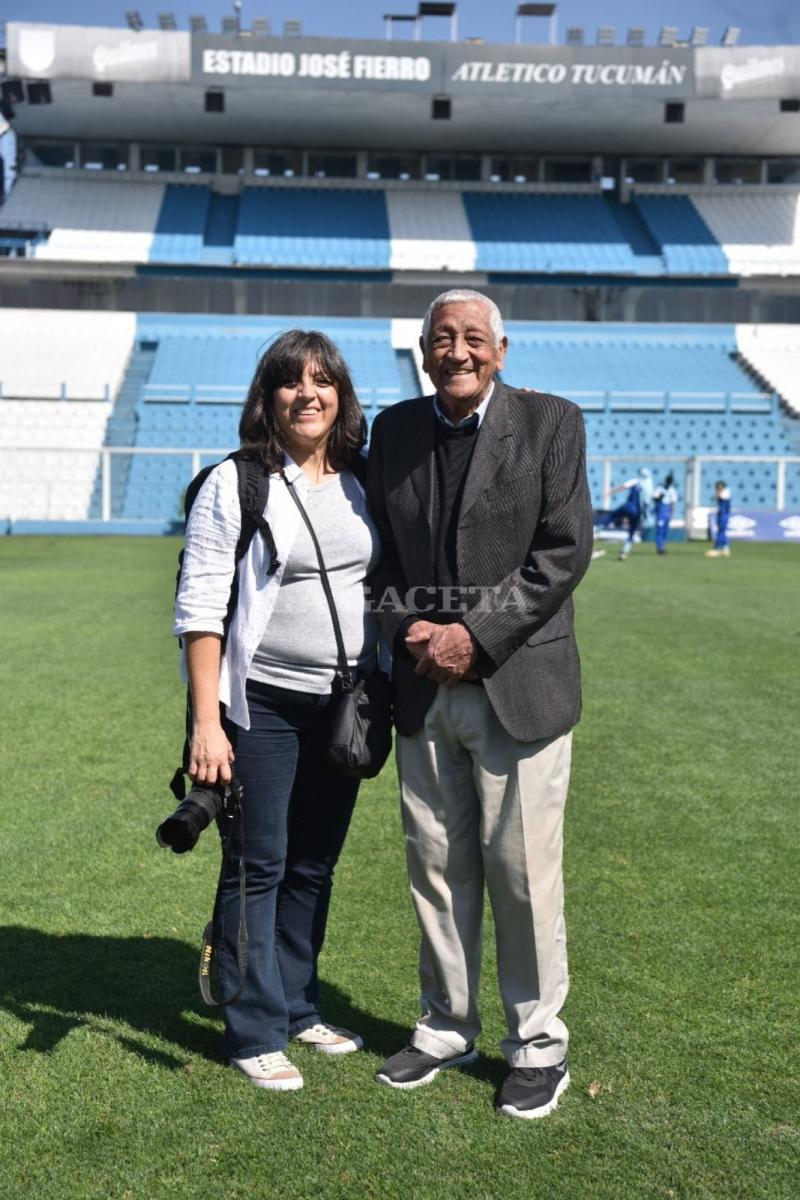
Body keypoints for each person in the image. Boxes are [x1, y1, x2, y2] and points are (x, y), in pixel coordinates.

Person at [365, 289, 593, 1120]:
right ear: (423, 351)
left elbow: (563, 551)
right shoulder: (391, 432)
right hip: (424, 688)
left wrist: (476, 635)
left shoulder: (551, 423)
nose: (456, 351)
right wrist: (412, 627)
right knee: (436, 867)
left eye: (472, 339)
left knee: (523, 875)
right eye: (441, 339)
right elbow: (376, 555)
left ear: (501, 349)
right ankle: (444, 1027)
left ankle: (537, 1045)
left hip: (517, 683)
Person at [173, 330, 380, 1091]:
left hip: (344, 705)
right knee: (257, 864)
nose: (309, 393)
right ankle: (253, 1028)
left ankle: (296, 1005)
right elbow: (199, 606)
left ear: (341, 395)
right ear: (268, 397)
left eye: (323, 380)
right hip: (257, 705)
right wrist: (206, 721)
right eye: (291, 381)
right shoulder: (238, 482)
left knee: (313, 865)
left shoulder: (363, 478)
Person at [602, 468, 653, 560]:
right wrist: (645, 515)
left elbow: (623, 486)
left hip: (628, 507)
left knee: (611, 517)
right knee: (631, 532)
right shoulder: (649, 486)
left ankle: (596, 531)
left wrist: (610, 492)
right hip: (637, 512)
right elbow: (647, 503)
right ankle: (624, 552)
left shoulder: (636, 481)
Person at [652, 472, 678, 555]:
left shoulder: (672, 490)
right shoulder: (659, 489)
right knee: (660, 529)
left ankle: (662, 546)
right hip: (660, 510)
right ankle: (659, 547)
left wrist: (672, 513)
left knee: (665, 530)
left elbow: (673, 503)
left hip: (667, 510)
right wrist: (659, 497)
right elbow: (654, 498)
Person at [706, 480, 732, 557]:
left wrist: (718, 493)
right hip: (720, 513)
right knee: (721, 531)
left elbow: (720, 497)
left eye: (718, 487)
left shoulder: (726, 492)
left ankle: (717, 548)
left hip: (724, 514)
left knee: (721, 531)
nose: (717, 488)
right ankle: (725, 548)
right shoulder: (723, 492)